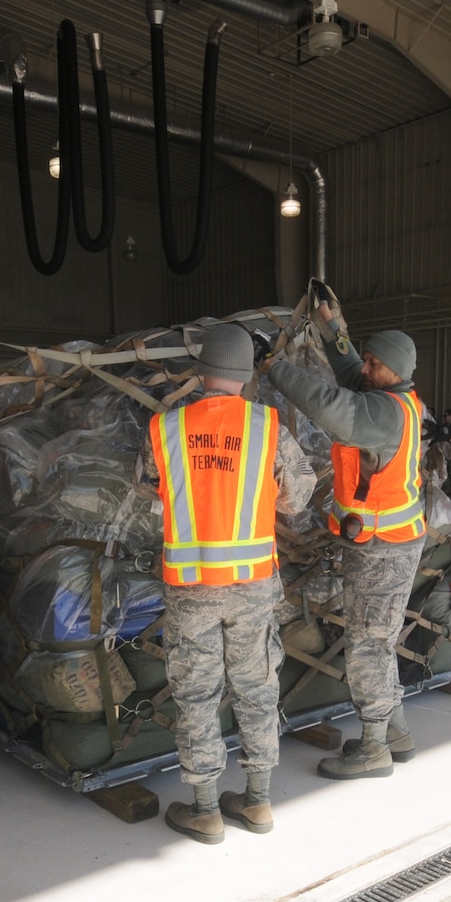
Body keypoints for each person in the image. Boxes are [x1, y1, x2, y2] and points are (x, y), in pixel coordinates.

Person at [145, 324, 315, 844]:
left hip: (191, 586)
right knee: (257, 688)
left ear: (200, 373)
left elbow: (149, 489)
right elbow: (301, 491)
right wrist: (266, 501)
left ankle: (204, 809)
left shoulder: (166, 427)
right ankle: (258, 802)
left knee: (197, 694)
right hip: (253, 585)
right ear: (246, 378)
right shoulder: (268, 426)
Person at [260, 296, 427, 780]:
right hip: (386, 542)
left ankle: (373, 748)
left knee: (368, 646)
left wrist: (273, 367)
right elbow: (351, 369)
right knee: (379, 639)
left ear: (392, 370)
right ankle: (395, 733)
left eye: (376, 363)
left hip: (383, 549)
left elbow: (326, 403)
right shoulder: (395, 398)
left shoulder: (381, 414)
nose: (365, 367)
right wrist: (333, 329)